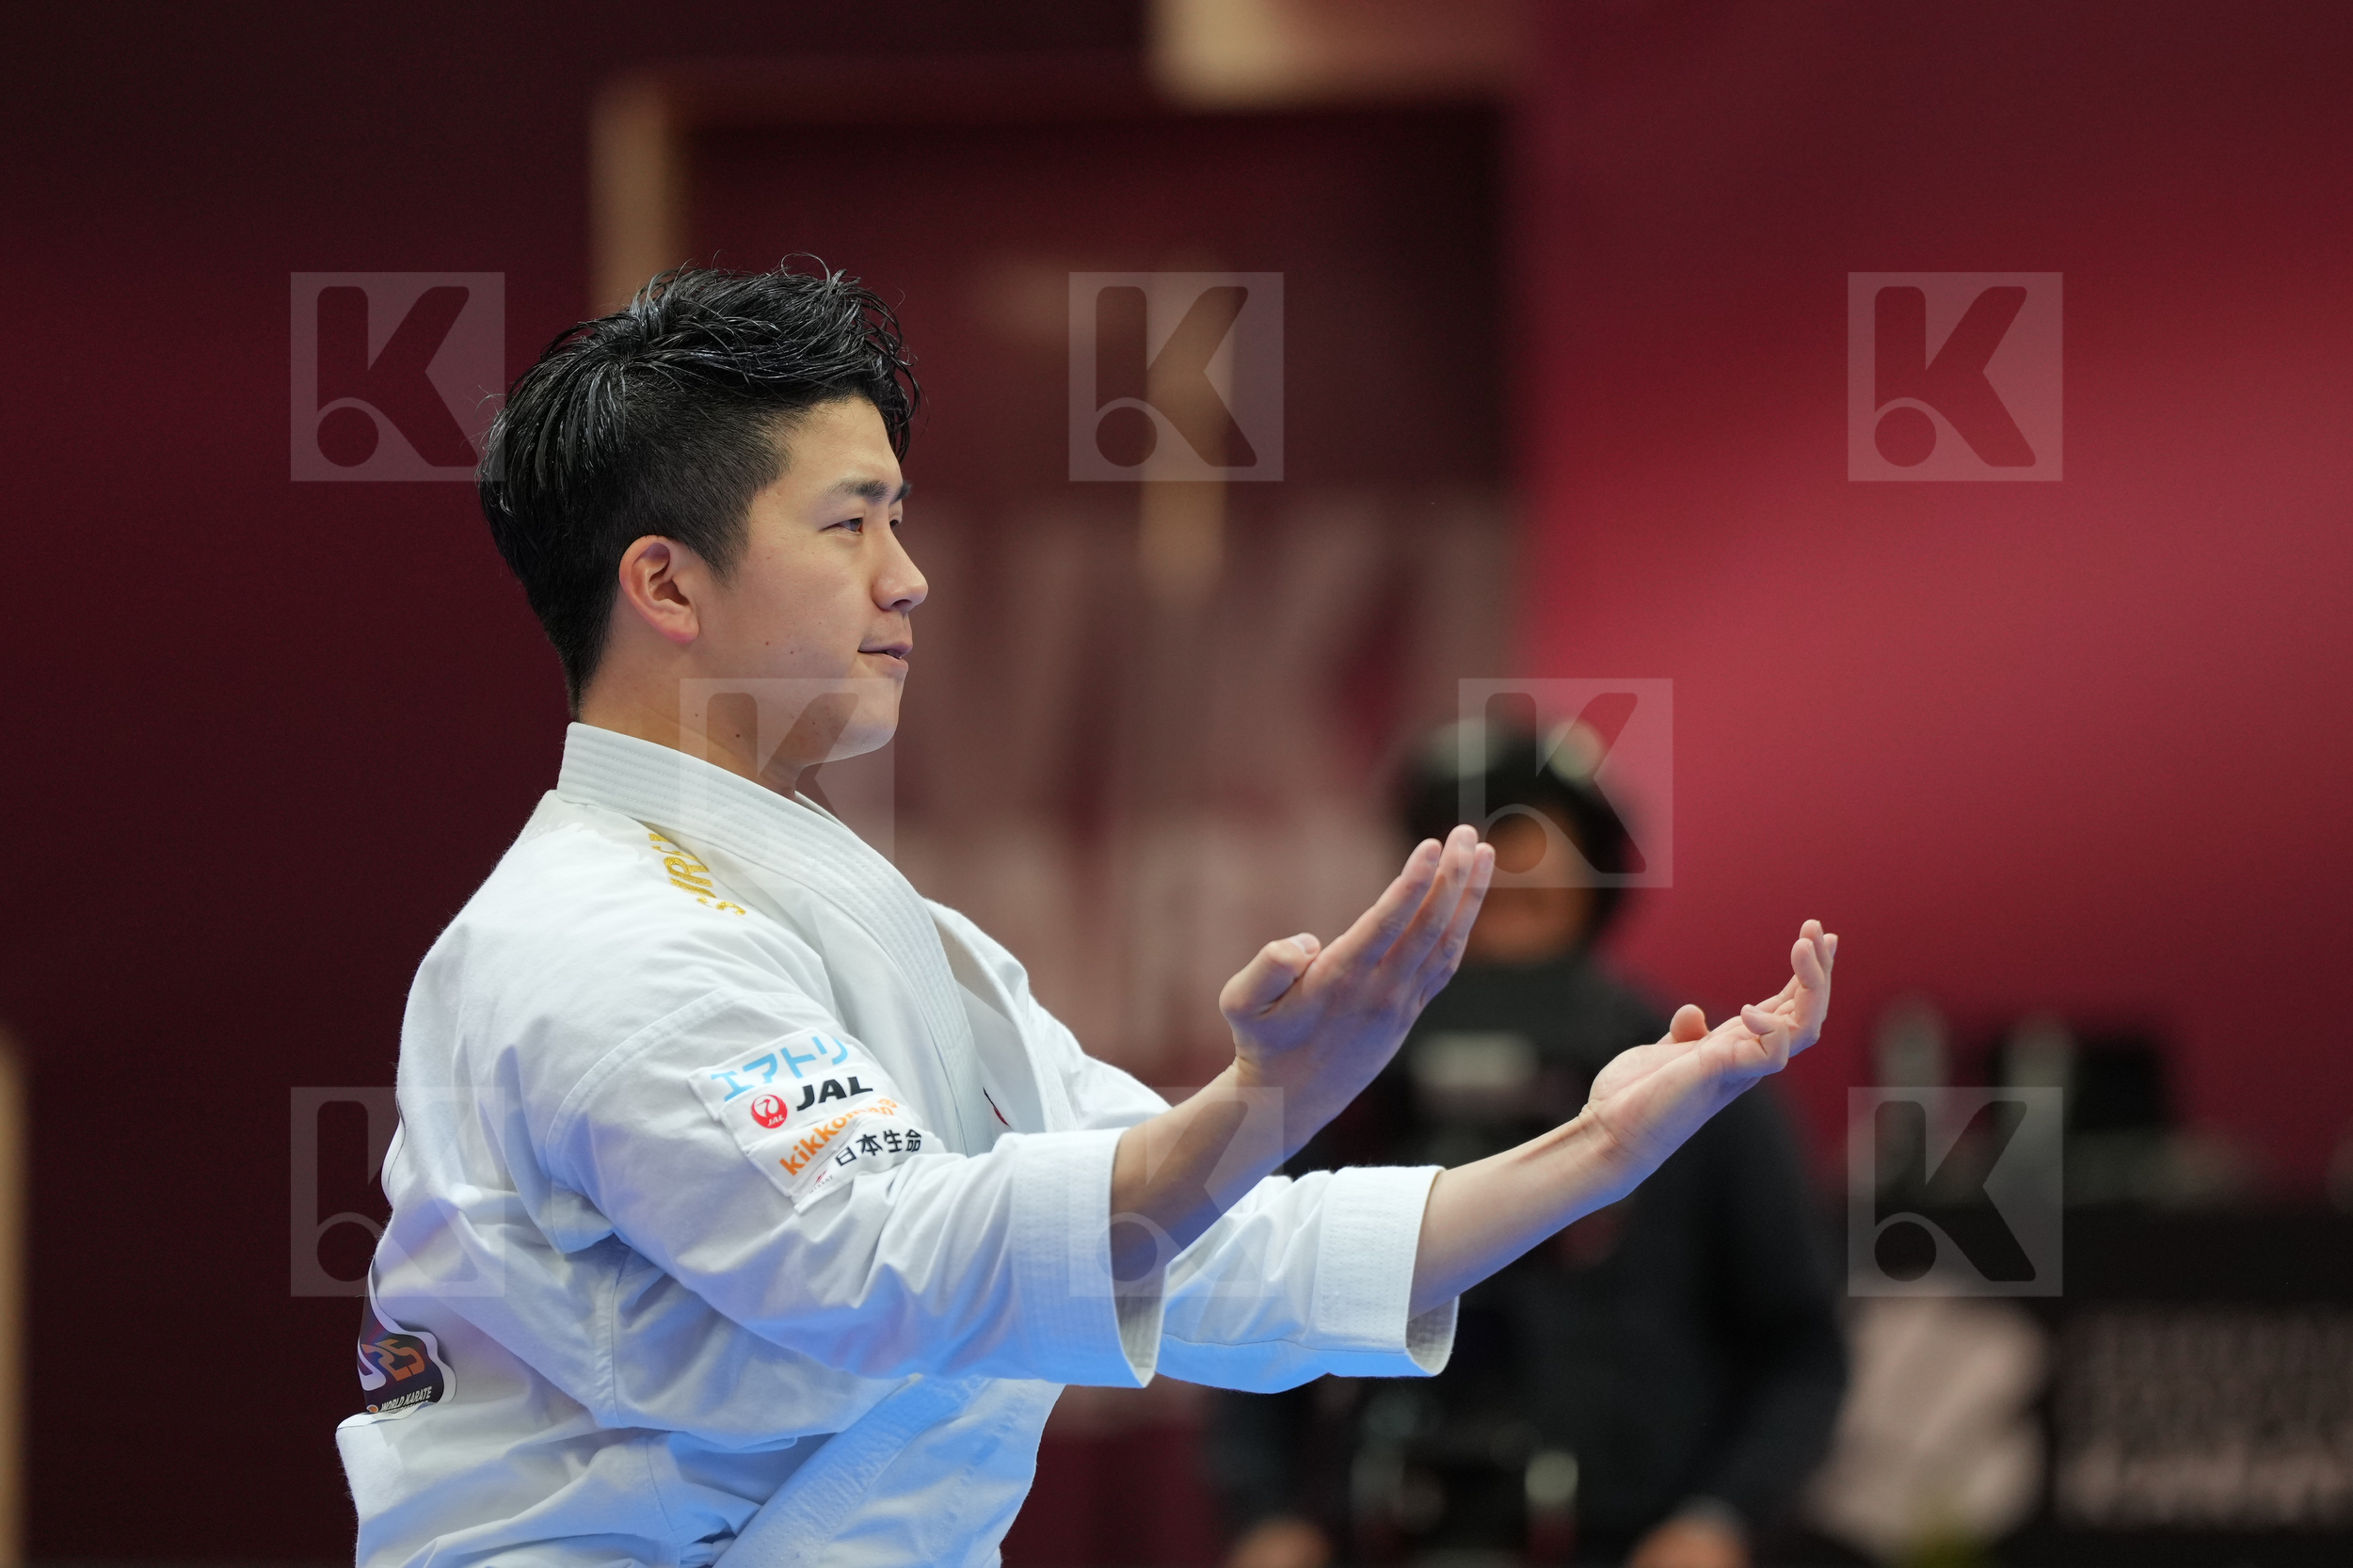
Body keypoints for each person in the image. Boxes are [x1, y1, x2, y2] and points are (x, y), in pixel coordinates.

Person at [335, 261, 1838, 1568]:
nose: (909, 579)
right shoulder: (603, 941)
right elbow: (894, 1267)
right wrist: (1262, 1098)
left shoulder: (891, 935)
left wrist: (1595, 1147)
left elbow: (1214, 1247)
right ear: (667, 585)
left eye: (899, 518)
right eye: (851, 524)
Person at [1208, 723, 1848, 1568]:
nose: (1506, 871)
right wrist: (1266, 1519)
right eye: (1477, 851)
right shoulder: (1346, 1078)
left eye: (1534, 847)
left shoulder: (1692, 1072)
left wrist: (1719, 1524)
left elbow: (1801, 1349)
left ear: (1595, 877)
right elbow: (1255, 1289)